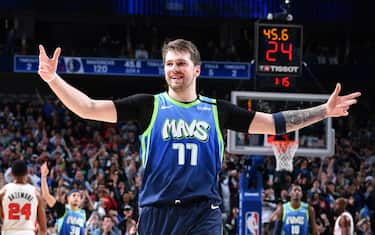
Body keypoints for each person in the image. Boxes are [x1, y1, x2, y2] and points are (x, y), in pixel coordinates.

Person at [37, 39, 360, 235]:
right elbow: (89, 108)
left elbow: (276, 124)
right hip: (157, 211)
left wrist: (322, 111)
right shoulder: (147, 105)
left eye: (181, 63)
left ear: (197, 70)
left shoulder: (218, 110)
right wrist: (53, 79)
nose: (173, 69)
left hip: (203, 211)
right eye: (168, 64)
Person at [0, 160, 47, 235]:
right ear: (27, 173)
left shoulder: (4, 191)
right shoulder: (36, 193)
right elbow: (43, 228)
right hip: (28, 232)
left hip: (8, 231)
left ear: (11, 173)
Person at [40, 162, 86, 235]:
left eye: (79, 196)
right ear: (68, 198)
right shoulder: (63, 209)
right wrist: (43, 176)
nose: (77, 197)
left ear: (81, 200)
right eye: (74, 195)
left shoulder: (83, 213)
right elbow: (46, 195)